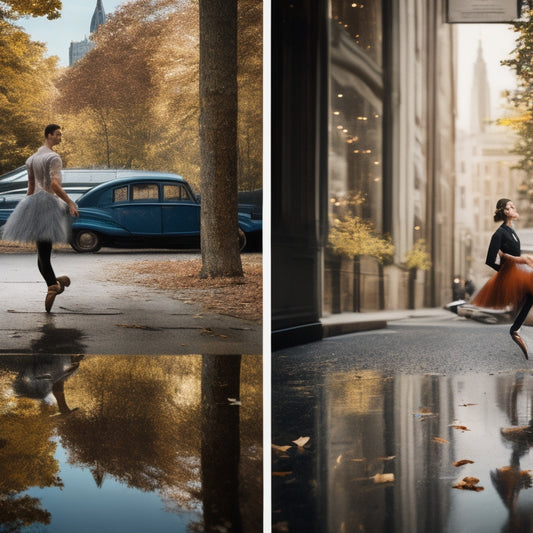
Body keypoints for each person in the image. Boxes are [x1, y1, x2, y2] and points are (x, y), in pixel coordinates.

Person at [2, 124, 79, 312]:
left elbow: (30, 187)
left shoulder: (31, 159)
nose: (60, 137)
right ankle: (53, 285)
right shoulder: (53, 157)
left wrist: (26, 211)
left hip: (33, 203)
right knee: (44, 251)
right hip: (46, 204)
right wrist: (69, 202)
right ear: (49, 135)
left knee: (41, 251)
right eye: (58, 134)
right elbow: (53, 184)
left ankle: (54, 282)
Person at [471, 198, 533, 359]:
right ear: (505, 212)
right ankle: (515, 329)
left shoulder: (511, 230)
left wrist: (520, 260)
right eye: (511, 207)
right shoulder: (499, 234)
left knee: (529, 298)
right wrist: (505, 271)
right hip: (511, 274)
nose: (514, 207)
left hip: (519, 272)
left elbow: (512, 254)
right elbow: (490, 260)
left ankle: (516, 329)